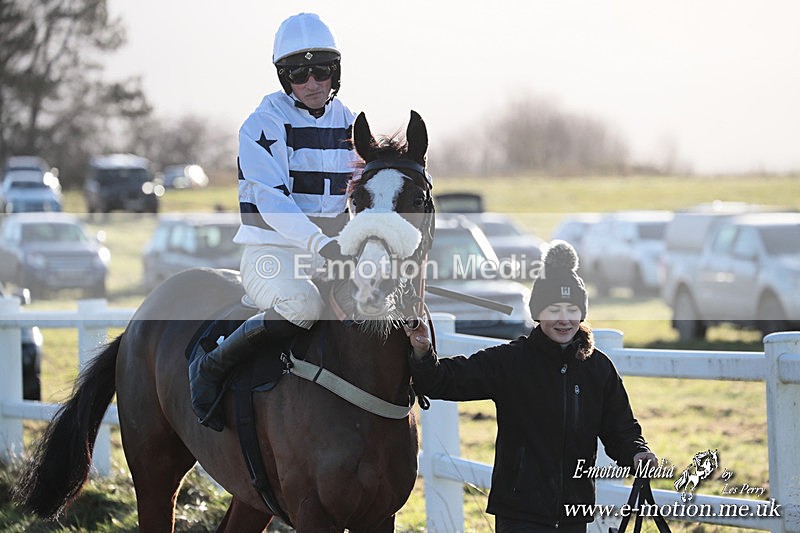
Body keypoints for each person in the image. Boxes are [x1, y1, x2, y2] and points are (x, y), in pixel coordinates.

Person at [405, 240, 658, 532]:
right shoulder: (511, 361)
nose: (563, 319)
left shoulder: (597, 368)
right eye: (553, 309)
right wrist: (423, 351)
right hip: (520, 513)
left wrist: (637, 452)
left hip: (574, 513)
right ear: (538, 313)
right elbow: (443, 380)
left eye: (571, 309)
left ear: (582, 313)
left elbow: (620, 429)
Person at [189, 12, 358, 431]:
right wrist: (323, 245)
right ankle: (212, 364)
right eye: (300, 73)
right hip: (272, 254)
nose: (313, 82)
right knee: (302, 305)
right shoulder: (261, 124)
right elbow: (272, 201)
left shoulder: (349, 122)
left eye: (321, 70)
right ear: (285, 79)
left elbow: (359, 198)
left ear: (335, 72)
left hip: (330, 255)